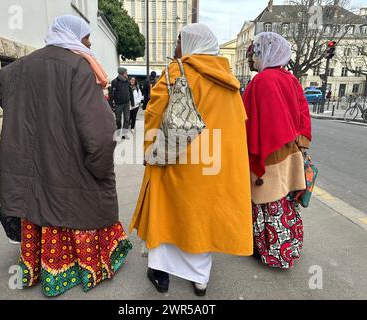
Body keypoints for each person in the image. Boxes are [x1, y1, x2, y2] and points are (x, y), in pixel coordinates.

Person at [0, 15, 132, 297]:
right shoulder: (78, 68)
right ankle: (80, 265)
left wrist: (20, 111)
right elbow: (101, 132)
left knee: (40, 204)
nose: (90, 42)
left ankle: (39, 265)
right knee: (70, 204)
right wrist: (99, 166)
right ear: (74, 36)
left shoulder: (21, 66)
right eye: (87, 36)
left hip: (33, 159)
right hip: (69, 163)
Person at [130, 23, 253, 296]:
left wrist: (150, 151)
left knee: (166, 215)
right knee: (202, 219)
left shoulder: (177, 71)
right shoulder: (229, 80)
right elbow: (238, 123)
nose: (176, 47)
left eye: (179, 41)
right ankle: (200, 279)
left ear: (191, 44)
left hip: (176, 157)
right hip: (214, 163)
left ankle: (161, 275)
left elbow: (154, 113)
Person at [242, 32, 312, 269]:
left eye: (255, 53)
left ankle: (269, 251)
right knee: (284, 201)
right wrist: (301, 144)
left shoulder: (261, 81)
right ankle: (289, 246)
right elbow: (303, 113)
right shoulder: (290, 78)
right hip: (289, 150)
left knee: (266, 203)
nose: (253, 58)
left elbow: (248, 120)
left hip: (267, 151)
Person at [110, 67, 135, 140]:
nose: (127, 74)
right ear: (122, 73)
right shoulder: (115, 82)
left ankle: (124, 134)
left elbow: (130, 92)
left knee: (127, 119)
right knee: (118, 119)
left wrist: (132, 101)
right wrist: (110, 103)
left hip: (127, 103)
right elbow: (111, 93)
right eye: (126, 72)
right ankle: (118, 130)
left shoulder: (127, 82)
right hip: (118, 104)